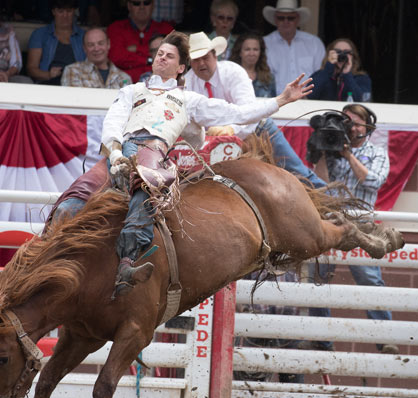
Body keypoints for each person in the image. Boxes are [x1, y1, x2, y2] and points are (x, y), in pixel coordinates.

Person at [100, 31, 313, 297]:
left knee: (148, 188)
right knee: (82, 192)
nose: (162, 57)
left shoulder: (192, 96)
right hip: (125, 150)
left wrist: (279, 101)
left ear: (180, 67)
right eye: (160, 53)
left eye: (170, 55)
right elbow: (113, 121)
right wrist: (116, 152)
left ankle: (128, 260)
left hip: (164, 149)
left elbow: (238, 113)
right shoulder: (132, 90)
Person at [184, 32, 326, 188]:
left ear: (215, 56)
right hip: (212, 139)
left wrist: (231, 129)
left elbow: (249, 110)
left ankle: (330, 201)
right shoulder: (187, 81)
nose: (202, 63)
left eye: (205, 58)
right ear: (190, 62)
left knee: (296, 170)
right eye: (196, 60)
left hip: (257, 128)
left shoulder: (233, 72)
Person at [311, 104, 395, 354]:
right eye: (348, 122)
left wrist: (348, 155)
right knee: (318, 277)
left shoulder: (377, 152)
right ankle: (321, 340)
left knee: (369, 280)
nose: (353, 127)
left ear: (368, 128)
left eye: (358, 123)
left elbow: (373, 181)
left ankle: (384, 338)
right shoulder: (332, 149)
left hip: (362, 223)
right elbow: (320, 183)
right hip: (331, 220)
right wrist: (322, 152)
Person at [262, 0, 324, 95]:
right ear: (275, 19)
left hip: (309, 100)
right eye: (281, 18)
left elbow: (321, 75)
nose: (285, 22)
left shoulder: (314, 43)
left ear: (297, 19)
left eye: (290, 18)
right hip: (276, 100)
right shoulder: (264, 43)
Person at [107, 0, 173, 82]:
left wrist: (137, 49)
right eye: (136, 3)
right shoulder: (116, 28)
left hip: (160, 85)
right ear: (129, 6)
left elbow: (172, 58)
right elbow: (116, 57)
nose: (142, 7)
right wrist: (149, 60)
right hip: (123, 85)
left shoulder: (166, 29)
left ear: (153, 5)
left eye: (146, 3)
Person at [27, 0, 86, 85]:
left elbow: (92, 66)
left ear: (74, 11)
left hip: (77, 84)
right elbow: (31, 69)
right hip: (49, 83)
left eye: (69, 11)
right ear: (53, 11)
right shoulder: (40, 34)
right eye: (60, 11)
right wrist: (48, 75)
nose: (65, 15)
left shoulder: (83, 36)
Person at [61, 27, 131, 88]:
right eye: (91, 45)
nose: (96, 49)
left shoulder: (124, 78)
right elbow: (73, 101)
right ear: (84, 48)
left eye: (101, 43)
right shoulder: (72, 71)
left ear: (108, 44)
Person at [309, 38, 372, 102]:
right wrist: (328, 68)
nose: (342, 55)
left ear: (353, 56)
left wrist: (347, 73)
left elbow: (363, 101)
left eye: (347, 52)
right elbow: (309, 96)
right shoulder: (319, 75)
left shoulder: (362, 78)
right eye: (338, 52)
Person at [230, 33, 275, 97]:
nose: (251, 53)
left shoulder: (269, 78)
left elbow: (274, 104)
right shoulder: (230, 77)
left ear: (260, 52)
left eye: (255, 49)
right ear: (240, 52)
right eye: (247, 49)